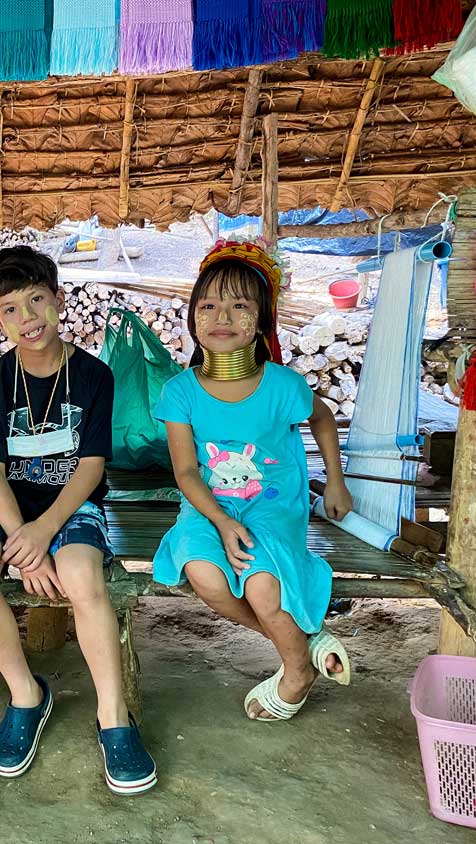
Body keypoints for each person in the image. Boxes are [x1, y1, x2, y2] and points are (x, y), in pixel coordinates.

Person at [0, 246, 157, 796]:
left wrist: (41, 536)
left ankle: (113, 716)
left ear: (59, 299)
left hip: (71, 504)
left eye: (37, 300)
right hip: (6, 507)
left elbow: (91, 467)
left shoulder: (92, 375)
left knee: (83, 577)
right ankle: (26, 694)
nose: (28, 318)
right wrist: (24, 538)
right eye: (11, 309)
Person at [152, 239, 354, 724]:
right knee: (206, 575)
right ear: (192, 317)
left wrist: (335, 481)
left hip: (272, 504)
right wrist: (220, 521)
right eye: (208, 305)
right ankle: (301, 643)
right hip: (206, 506)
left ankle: (295, 673)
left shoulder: (283, 385)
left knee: (263, 585)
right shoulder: (179, 392)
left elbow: (323, 420)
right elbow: (184, 472)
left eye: (239, 305)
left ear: (260, 321)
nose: (222, 315)